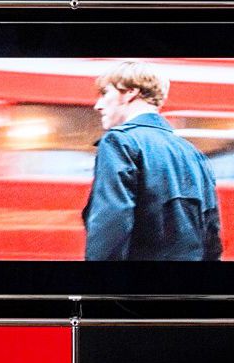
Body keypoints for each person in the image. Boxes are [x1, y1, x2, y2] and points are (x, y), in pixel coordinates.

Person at [83, 61, 222, 262]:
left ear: (130, 92)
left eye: (105, 93)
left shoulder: (120, 142)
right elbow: (211, 232)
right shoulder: (193, 153)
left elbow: (111, 223)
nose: (98, 105)